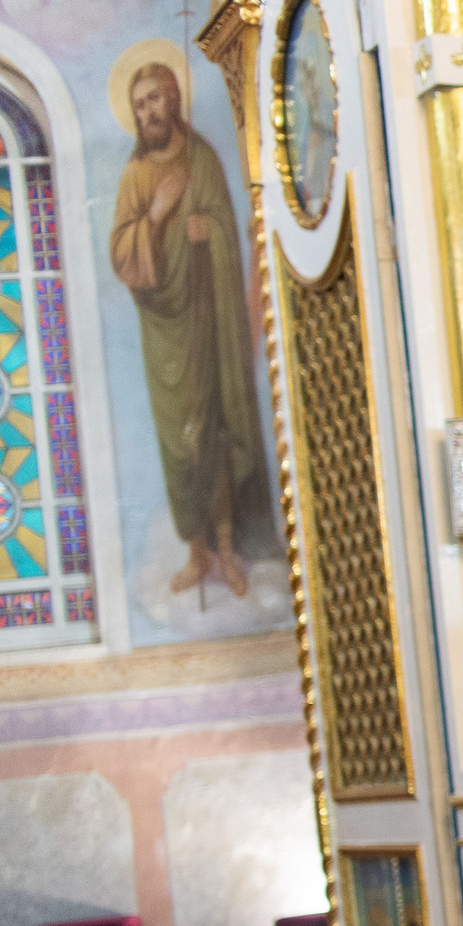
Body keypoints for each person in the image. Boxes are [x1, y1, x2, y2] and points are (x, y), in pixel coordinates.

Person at [108, 59, 273, 600]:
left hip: (206, 318)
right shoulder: (136, 176)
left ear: (174, 98)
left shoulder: (202, 158)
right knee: (179, 443)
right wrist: (155, 218)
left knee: (213, 434)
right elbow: (121, 256)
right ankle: (195, 552)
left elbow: (230, 229)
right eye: (139, 104)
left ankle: (225, 548)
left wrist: (212, 232)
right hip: (164, 330)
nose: (149, 110)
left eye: (156, 97)